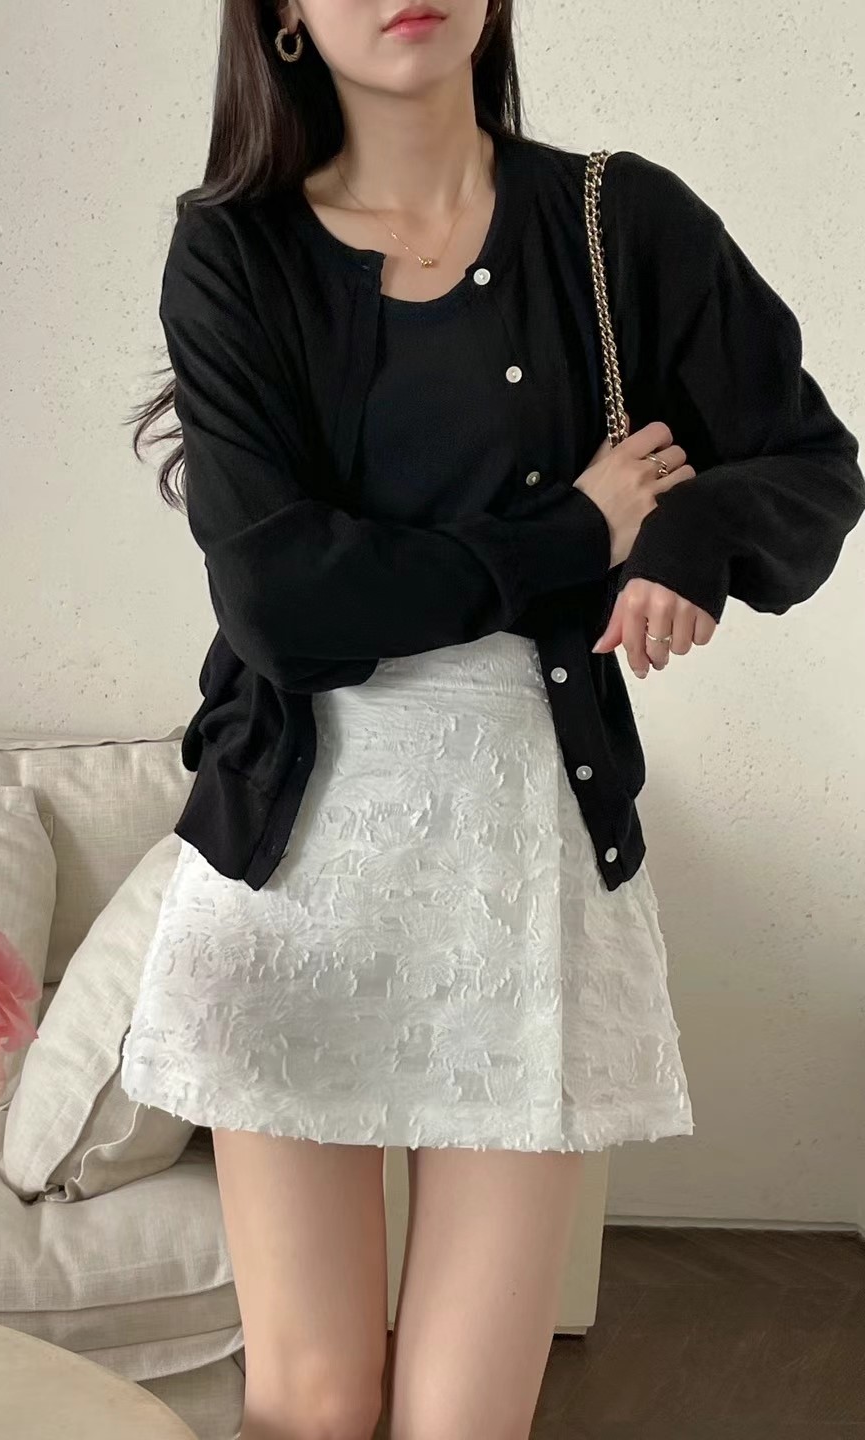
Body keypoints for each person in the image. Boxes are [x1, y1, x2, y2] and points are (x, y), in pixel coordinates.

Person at [121, 3, 865, 1437]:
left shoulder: (619, 223)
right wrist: (576, 531)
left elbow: (812, 468)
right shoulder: (234, 252)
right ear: (281, 15)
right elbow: (280, 603)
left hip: (521, 860)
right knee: (312, 1403)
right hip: (291, 867)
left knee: (465, 1419)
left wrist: (690, 534)